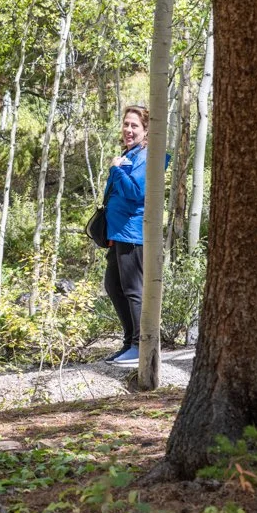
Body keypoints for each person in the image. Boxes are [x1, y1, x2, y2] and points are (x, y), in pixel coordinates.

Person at [102, 105, 149, 367]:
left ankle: (140, 346)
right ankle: (129, 342)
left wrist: (116, 170)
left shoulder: (146, 157)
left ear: (146, 130)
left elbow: (135, 194)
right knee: (113, 285)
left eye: (134, 126)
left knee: (133, 289)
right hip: (118, 232)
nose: (128, 130)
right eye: (126, 124)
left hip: (132, 233)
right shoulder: (130, 153)